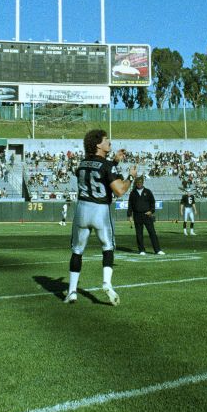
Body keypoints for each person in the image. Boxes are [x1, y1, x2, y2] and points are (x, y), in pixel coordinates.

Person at [65, 130, 135, 305]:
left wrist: (114, 161)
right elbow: (119, 191)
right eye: (106, 140)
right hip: (101, 210)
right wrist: (130, 178)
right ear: (98, 145)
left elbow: (97, 169)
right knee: (108, 246)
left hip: (82, 209)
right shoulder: (106, 166)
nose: (109, 142)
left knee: (77, 250)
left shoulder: (81, 164)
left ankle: (72, 292)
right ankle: (107, 283)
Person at [126, 176, 163, 255]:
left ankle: (157, 250)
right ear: (136, 183)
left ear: (142, 183)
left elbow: (152, 202)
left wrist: (151, 211)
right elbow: (130, 205)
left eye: (140, 183)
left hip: (147, 215)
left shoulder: (148, 191)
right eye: (137, 183)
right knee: (139, 234)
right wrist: (129, 215)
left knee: (152, 232)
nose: (139, 184)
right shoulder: (133, 193)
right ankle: (141, 250)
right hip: (137, 215)